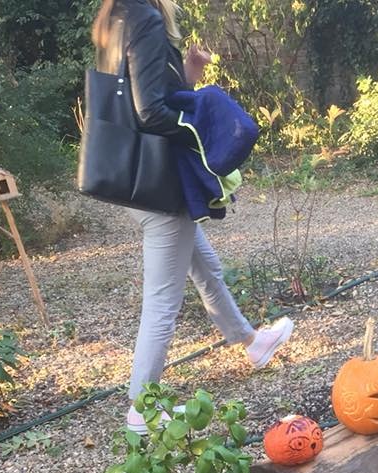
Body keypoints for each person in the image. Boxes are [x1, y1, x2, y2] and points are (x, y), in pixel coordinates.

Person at [91, 0, 293, 434]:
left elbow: (147, 94)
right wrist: (204, 130)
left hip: (141, 176)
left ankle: (253, 342)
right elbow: (150, 112)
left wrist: (188, 74)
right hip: (160, 185)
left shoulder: (118, 16)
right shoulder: (144, 17)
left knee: (206, 267)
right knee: (163, 300)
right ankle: (142, 407)